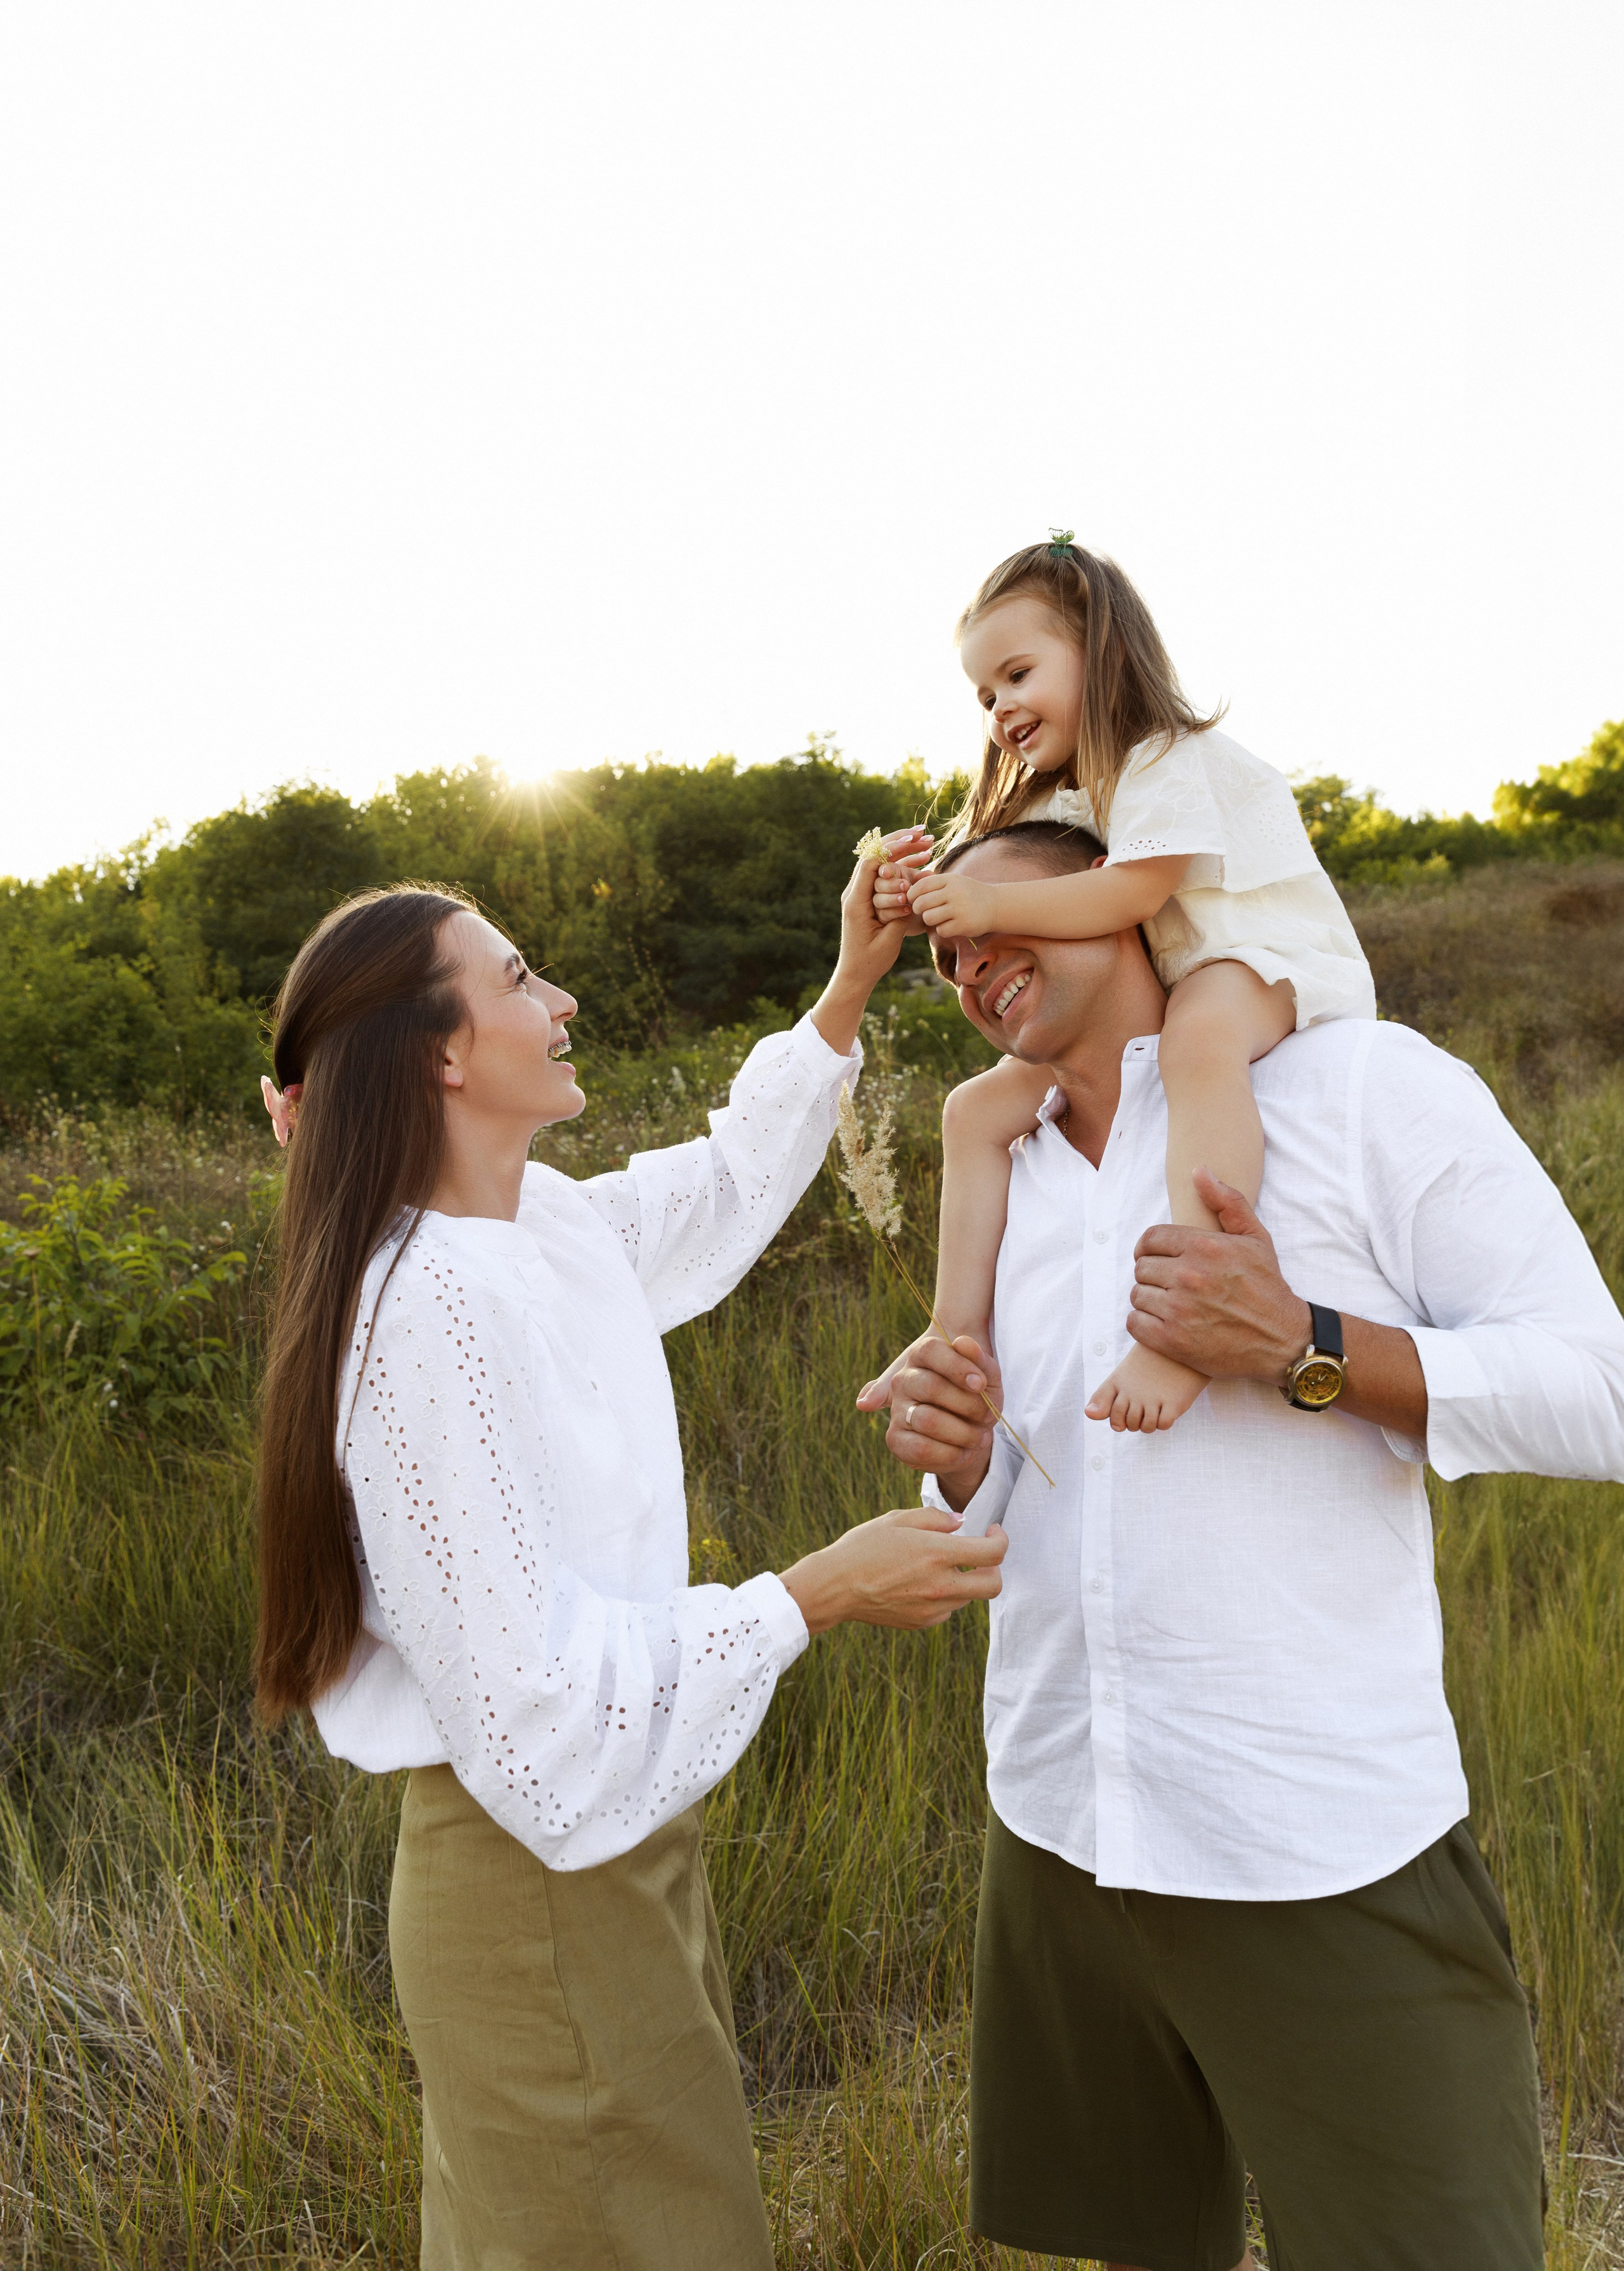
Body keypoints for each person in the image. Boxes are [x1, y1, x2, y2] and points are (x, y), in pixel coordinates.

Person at [859, 817, 1624, 2271]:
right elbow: (1034, 1489)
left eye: (999, 913)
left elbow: (1601, 1390)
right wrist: (963, 1456)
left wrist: (1303, 1346)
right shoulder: (1003, 1163)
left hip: (1311, 1839)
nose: (967, 962)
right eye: (944, 953)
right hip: (1058, 1824)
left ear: (1131, 897)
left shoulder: (1354, 1089)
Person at [253, 870, 1006, 2271]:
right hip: (535, 1871)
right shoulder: (423, 1312)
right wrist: (813, 1591)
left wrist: (848, 981)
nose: (562, 1000)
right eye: (521, 978)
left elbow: (721, 1189)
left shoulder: (534, 1232)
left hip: (611, 1848)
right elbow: (535, 1724)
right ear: (441, 1052)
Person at [872, 536, 1375, 1434]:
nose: (1001, 708)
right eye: (985, 695)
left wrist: (983, 896)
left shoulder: (1162, 758)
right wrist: (914, 895)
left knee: (1199, 1045)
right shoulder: (1063, 798)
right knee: (974, 1112)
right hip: (1167, 988)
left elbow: (1134, 890)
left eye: (1019, 674)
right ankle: (954, 1340)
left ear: (1098, 651)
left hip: (1259, 954)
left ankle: (1190, 1316)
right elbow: (1021, 892)